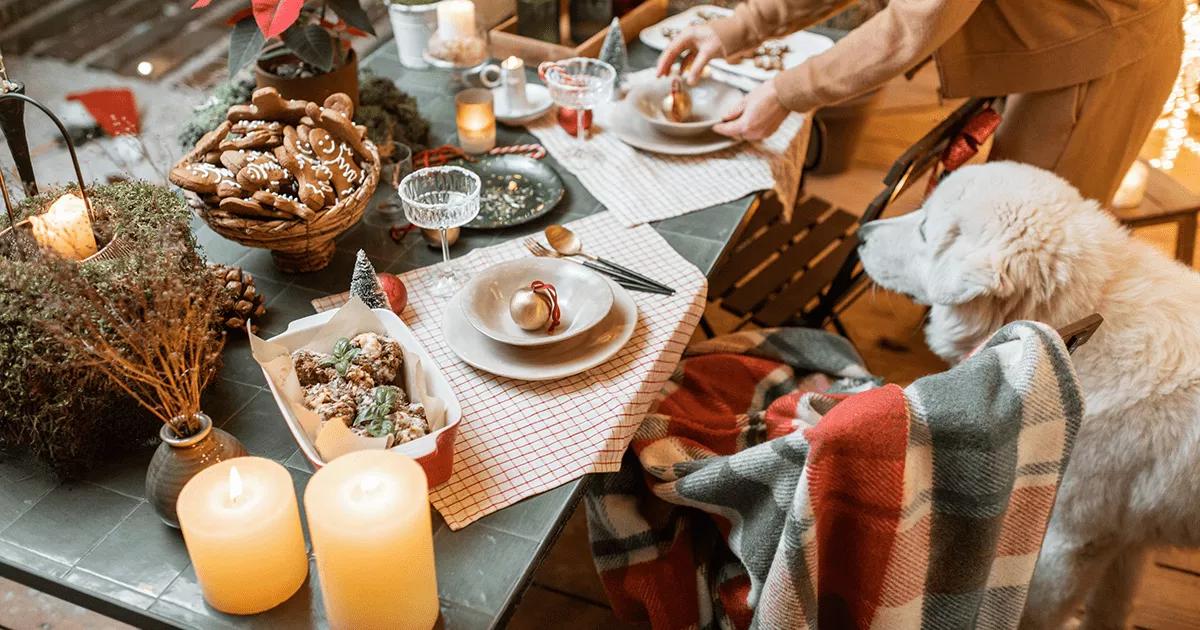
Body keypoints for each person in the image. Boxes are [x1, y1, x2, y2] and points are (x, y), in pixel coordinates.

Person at [658, 0, 1185, 203]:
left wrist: (786, 91)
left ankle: (1014, 422)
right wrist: (739, 27)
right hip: (1053, 39)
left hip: (1101, 55)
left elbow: (917, 20)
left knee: (1026, 245)